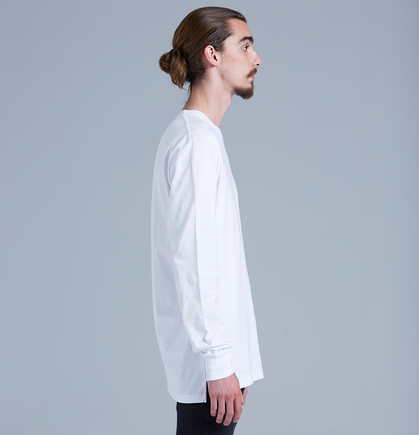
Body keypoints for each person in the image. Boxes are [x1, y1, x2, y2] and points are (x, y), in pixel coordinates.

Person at [151, 6, 264, 434]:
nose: (257, 59)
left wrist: (227, 360)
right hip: (208, 369)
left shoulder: (200, 138)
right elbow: (194, 259)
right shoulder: (196, 143)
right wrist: (218, 361)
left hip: (214, 365)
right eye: (245, 46)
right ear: (212, 55)